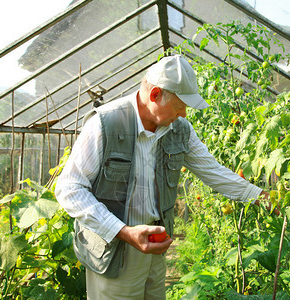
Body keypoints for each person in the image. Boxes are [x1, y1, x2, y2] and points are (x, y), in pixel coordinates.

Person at [55, 55, 274, 300]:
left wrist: (267, 199)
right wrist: (124, 231)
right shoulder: (106, 123)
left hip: (154, 249)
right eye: (180, 107)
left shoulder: (179, 129)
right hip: (113, 250)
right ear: (155, 94)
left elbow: (213, 171)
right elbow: (69, 188)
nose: (183, 115)